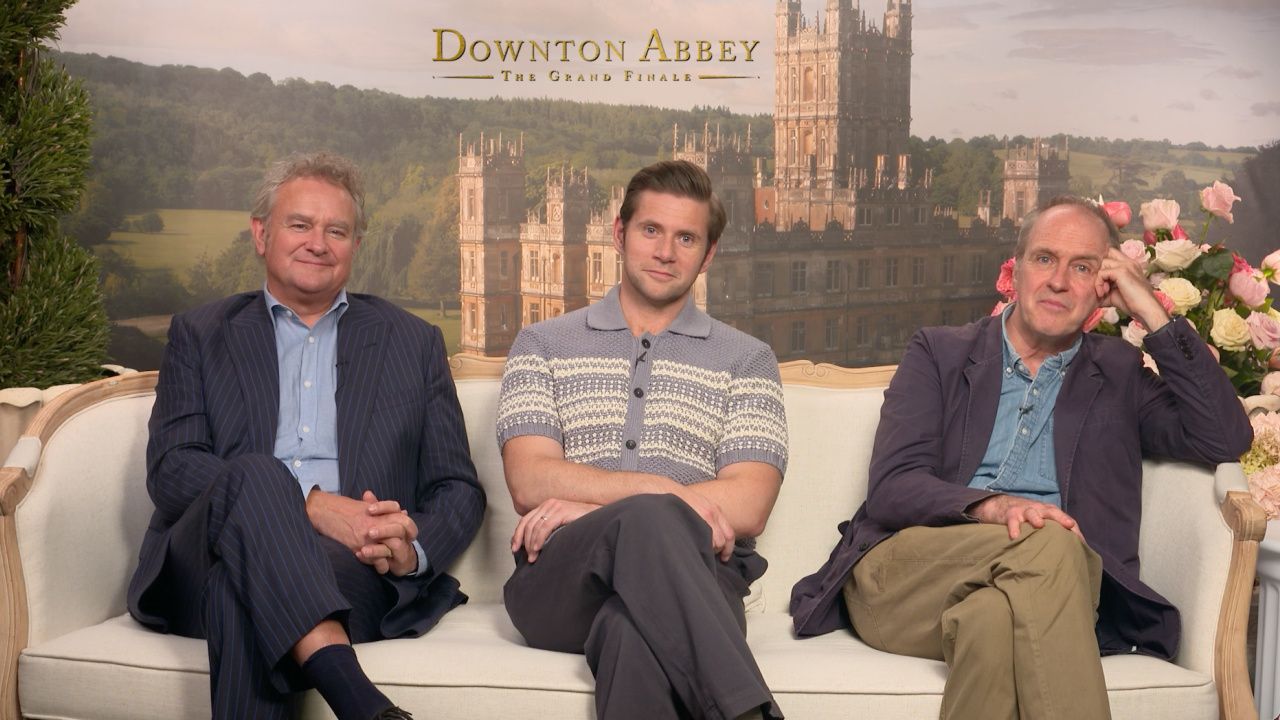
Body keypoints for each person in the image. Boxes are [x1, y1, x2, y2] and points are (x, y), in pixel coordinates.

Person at [789, 196, 1252, 719]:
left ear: (1105, 286)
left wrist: (1151, 310)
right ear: (1017, 269)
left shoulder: (1120, 373)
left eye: (1083, 268)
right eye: (1045, 259)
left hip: (1050, 592)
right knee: (1048, 541)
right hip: (910, 578)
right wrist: (995, 507)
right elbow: (894, 487)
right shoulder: (939, 353)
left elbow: (1224, 437)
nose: (1059, 281)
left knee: (992, 621)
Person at [126, 152, 485, 720]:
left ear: (355, 246)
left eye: (336, 231)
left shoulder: (412, 342)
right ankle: (360, 701)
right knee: (258, 473)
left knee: (237, 594)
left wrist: (409, 549)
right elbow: (173, 469)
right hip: (203, 553)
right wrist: (315, 507)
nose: (317, 243)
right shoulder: (201, 334)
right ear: (261, 234)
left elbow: (457, 487)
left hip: (349, 566)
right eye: (299, 224)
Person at [496, 160, 788, 719]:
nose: (665, 252)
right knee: (651, 513)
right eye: (651, 230)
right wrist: (660, 493)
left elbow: (750, 503)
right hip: (559, 582)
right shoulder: (542, 344)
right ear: (619, 233)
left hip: (701, 585)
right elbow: (529, 479)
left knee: (632, 632)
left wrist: (592, 504)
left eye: (686, 238)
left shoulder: (748, 360)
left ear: (708, 254)